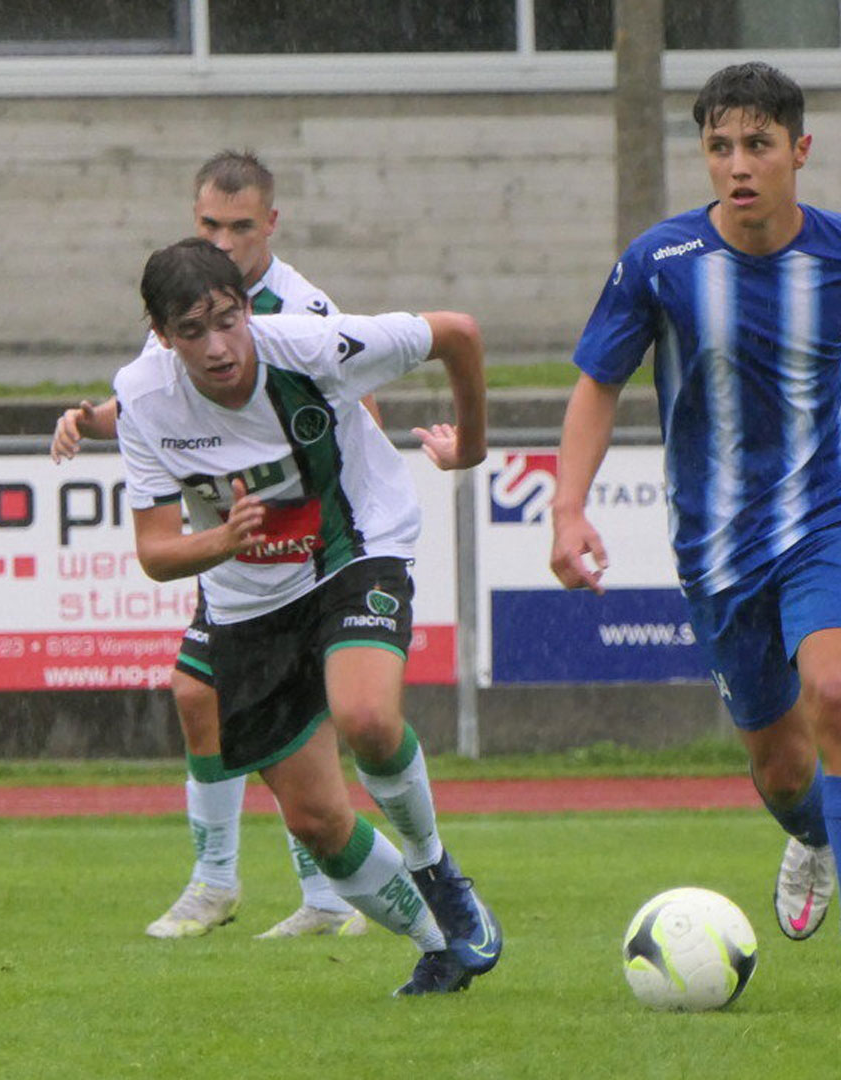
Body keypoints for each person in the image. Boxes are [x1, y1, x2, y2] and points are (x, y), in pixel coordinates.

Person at [549, 61, 841, 1005]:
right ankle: (813, 834)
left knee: (836, 691)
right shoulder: (660, 263)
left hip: (834, 511)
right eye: (720, 147)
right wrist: (568, 509)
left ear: (799, 151)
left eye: (758, 145)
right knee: (780, 770)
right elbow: (599, 383)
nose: (738, 165)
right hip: (719, 546)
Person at [115, 236, 502, 995]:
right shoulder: (142, 398)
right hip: (247, 602)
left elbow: (458, 332)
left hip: (353, 551)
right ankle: (439, 946)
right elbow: (157, 553)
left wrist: (473, 448)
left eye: (227, 320)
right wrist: (222, 541)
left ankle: (435, 868)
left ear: (247, 310)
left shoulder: (312, 346)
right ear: (161, 335)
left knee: (367, 719)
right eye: (191, 331)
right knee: (316, 822)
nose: (218, 346)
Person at [52, 150, 376, 940]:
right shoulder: (188, 297)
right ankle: (224, 881)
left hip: (307, 543)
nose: (224, 240)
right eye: (209, 224)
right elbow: (153, 395)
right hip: (233, 538)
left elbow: (354, 408)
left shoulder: (302, 307)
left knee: (293, 713)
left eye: (240, 226)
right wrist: (92, 418)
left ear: (272, 223)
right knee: (201, 697)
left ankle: (327, 893)